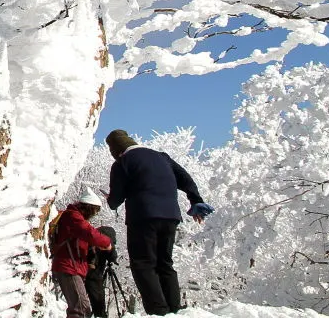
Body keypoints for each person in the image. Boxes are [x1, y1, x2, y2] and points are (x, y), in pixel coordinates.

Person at [105, 129, 215, 315]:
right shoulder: (162, 157)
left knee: (143, 263)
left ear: (116, 150)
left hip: (143, 217)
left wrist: (111, 199)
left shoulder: (123, 162)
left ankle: (159, 312)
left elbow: (115, 200)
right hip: (171, 216)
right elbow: (185, 178)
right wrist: (196, 200)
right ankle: (174, 310)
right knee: (165, 263)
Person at [52, 188, 114, 318]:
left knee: (79, 307)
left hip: (71, 267)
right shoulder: (73, 216)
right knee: (80, 307)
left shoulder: (73, 217)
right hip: (69, 267)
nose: (94, 215)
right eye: (95, 211)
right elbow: (89, 233)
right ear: (89, 208)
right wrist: (107, 243)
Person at [84, 226, 117, 318]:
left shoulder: (94, 238)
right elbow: (112, 255)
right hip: (94, 274)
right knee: (97, 297)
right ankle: (100, 315)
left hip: (83, 271)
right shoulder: (106, 241)